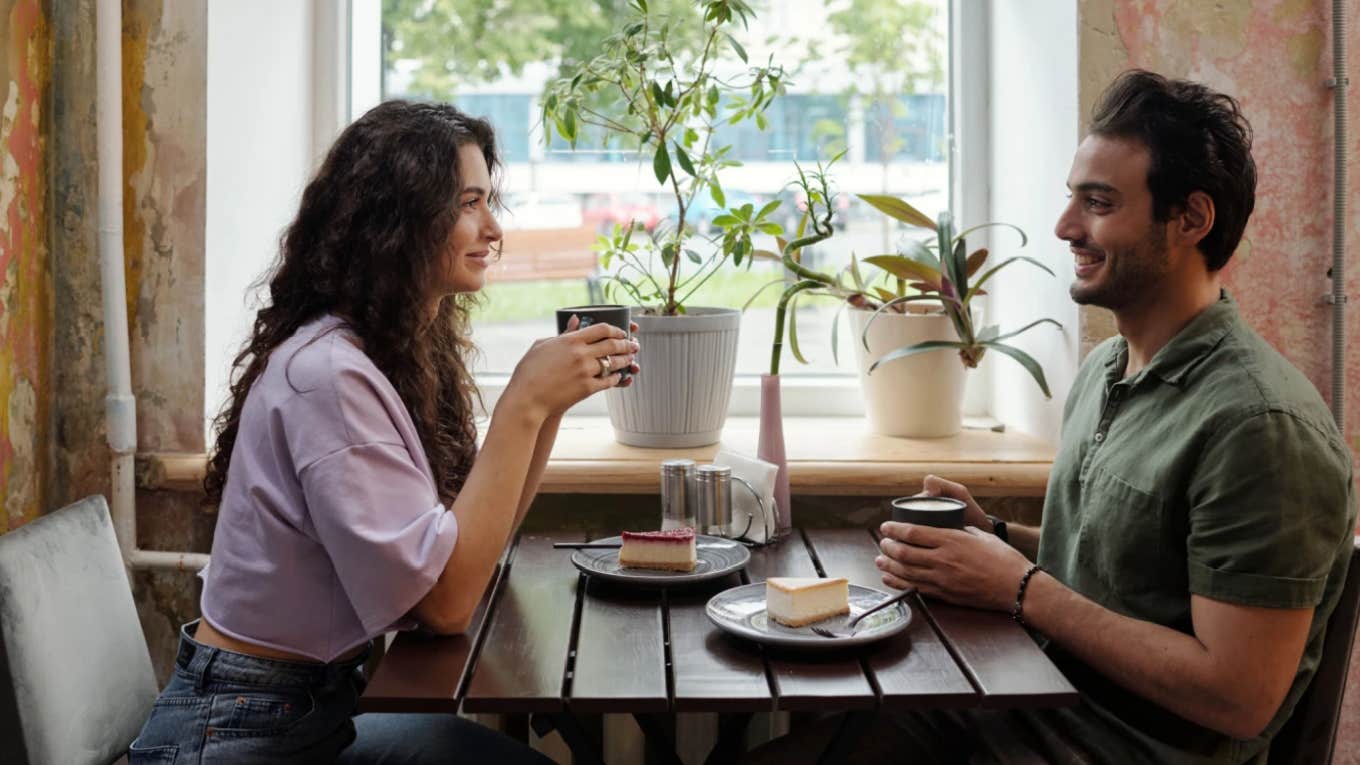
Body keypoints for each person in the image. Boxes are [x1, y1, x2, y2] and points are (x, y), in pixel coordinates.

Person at [750, 70, 1356, 764]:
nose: (1067, 226)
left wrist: (1017, 586)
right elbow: (1131, 567)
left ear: (1191, 219)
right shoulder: (1106, 369)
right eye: (1073, 198)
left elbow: (1239, 693)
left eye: (1098, 203)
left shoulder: (1261, 427)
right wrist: (998, 536)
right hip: (1033, 705)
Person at [128, 100, 639, 764]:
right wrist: (522, 402)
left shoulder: (386, 350)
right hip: (240, 729)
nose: (493, 228)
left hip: (304, 712)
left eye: (491, 202)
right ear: (398, 220)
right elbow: (448, 603)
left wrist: (546, 407)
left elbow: (466, 555)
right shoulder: (330, 378)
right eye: (468, 204)